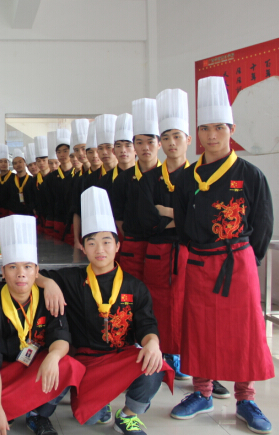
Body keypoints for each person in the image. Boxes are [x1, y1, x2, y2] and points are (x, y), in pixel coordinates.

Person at [169, 77, 274, 434]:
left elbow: (263, 222)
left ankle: (246, 399)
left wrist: (246, 258)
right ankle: (202, 392)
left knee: (245, 331)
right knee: (199, 329)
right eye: (204, 129)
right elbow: (182, 222)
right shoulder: (187, 178)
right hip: (199, 261)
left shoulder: (250, 174)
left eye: (218, 128)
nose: (211, 135)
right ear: (197, 134)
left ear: (232, 130)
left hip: (237, 263)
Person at [39, 187, 174, 435]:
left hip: (121, 357)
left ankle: (129, 415)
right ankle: (98, 404)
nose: (99, 249)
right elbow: (34, 274)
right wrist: (48, 283)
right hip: (86, 361)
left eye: (106, 242)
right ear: (83, 247)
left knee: (156, 363)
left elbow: (147, 325)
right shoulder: (72, 279)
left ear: (118, 245)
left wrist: (153, 343)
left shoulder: (135, 286)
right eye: (91, 243)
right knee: (91, 419)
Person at [0, 215, 85, 435]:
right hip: (5, 371)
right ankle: (8, 408)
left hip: (35, 366)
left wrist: (53, 357)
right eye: (12, 267)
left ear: (36, 271)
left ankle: (38, 415)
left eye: (27, 267)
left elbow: (61, 336)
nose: (21, 273)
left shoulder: (48, 297)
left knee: (67, 364)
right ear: (3, 272)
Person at [136, 89, 191, 382]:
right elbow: (147, 222)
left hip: (188, 253)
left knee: (187, 307)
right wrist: (184, 219)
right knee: (158, 306)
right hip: (158, 253)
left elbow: (202, 223)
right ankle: (164, 353)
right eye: (166, 137)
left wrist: (169, 214)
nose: (171, 143)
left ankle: (187, 356)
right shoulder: (149, 180)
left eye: (176, 137)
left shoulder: (198, 177)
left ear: (188, 140)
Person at [111, 98, 162, 282]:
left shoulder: (168, 177)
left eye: (150, 142)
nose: (145, 147)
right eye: (139, 142)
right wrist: (132, 238)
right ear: (135, 147)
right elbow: (118, 217)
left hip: (161, 246)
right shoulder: (123, 179)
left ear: (159, 144)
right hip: (132, 246)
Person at [71, 116, 117, 249]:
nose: (96, 155)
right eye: (91, 151)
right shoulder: (86, 180)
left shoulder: (125, 176)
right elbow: (78, 211)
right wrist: (77, 240)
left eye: (108, 148)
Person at [5, 148, 37, 216]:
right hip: (13, 213)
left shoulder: (32, 180)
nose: (18, 165)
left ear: (25, 164)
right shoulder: (9, 180)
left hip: (28, 214)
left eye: (20, 162)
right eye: (15, 163)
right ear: (13, 166)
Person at [0, 144, 14, 220]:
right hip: (1, 212)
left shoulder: (15, 177)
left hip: (13, 212)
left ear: (9, 164)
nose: (3, 164)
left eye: (5, 161)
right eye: (1, 161)